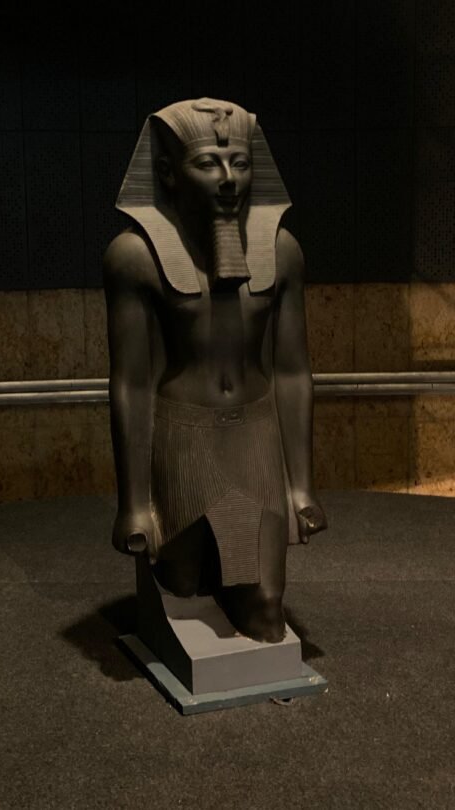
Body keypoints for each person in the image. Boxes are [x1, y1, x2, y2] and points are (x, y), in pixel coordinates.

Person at [104, 98, 325, 643]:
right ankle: (191, 556)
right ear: (167, 174)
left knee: (265, 613)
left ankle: (239, 571)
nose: (229, 179)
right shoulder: (135, 257)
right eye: (208, 163)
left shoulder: (282, 252)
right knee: (182, 583)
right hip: (183, 437)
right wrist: (135, 504)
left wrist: (300, 487)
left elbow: (292, 373)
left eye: (240, 163)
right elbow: (131, 383)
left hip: (254, 438)